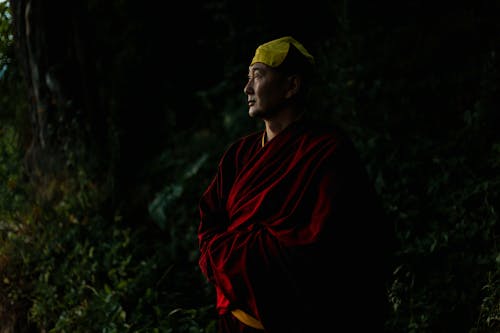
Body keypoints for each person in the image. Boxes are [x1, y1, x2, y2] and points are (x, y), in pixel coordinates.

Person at [197, 36, 395, 333]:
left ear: (292, 86)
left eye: (259, 75)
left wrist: (234, 256)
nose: (247, 88)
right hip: (236, 323)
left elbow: (324, 246)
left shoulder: (327, 152)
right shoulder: (238, 156)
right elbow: (208, 226)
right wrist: (241, 253)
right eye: (248, 77)